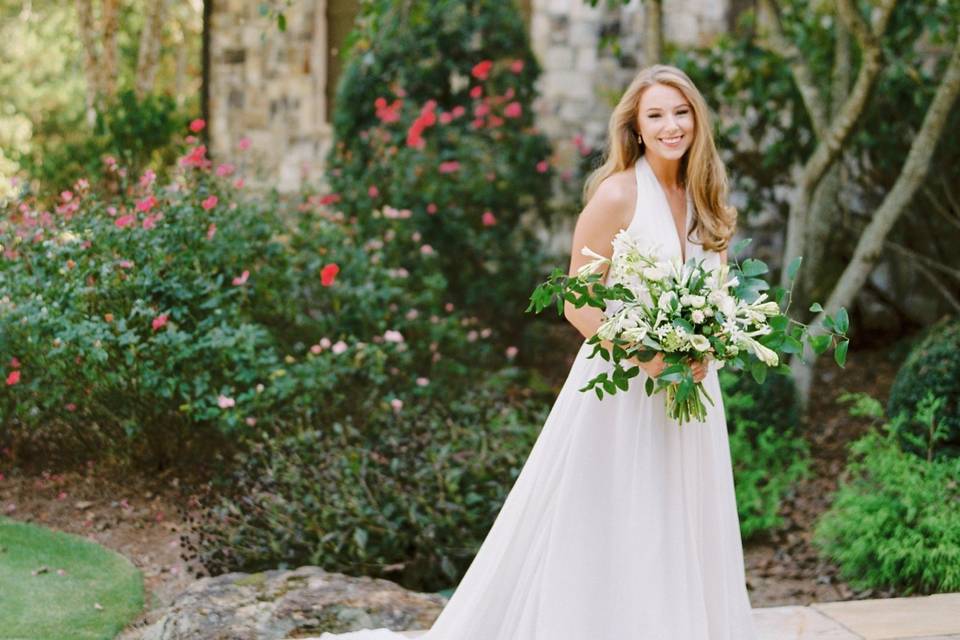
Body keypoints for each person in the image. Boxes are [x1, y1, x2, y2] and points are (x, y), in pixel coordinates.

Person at [320, 64, 757, 640]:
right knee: (616, 520)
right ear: (636, 127)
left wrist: (710, 348)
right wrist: (646, 354)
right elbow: (578, 300)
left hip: (691, 391)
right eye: (656, 114)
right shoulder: (618, 194)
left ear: (697, 120)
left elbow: (718, 296)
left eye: (681, 113)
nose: (671, 125)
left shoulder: (707, 199)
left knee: (684, 522)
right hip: (623, 388)